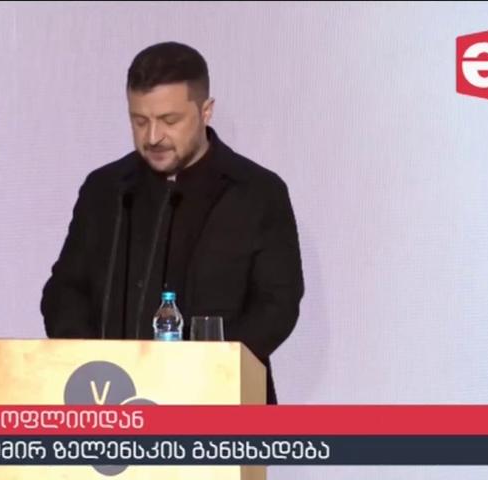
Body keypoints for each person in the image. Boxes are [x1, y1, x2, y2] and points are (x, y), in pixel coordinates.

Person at [41, 41, 304, 404]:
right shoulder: (106, 189)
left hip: (221, 404)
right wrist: (90, 361)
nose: (153, 137)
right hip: (110, 403)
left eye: (169, 121)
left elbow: (278, 305)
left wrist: (210, 369)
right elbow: (64, 291)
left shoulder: (256, 192)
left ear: (206, 111)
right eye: (140, 121)